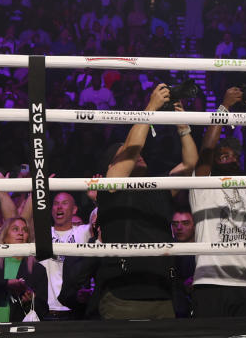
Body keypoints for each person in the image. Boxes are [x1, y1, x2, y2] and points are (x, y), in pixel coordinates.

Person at [95, 83, 198, 320]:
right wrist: (150, 107)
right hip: (123, 294)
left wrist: (181, 125)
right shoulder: (110, 189)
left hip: (162, 292)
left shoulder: (157, 187)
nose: (137, 153)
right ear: (111, 165)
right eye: (125, 153)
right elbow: (132, 149)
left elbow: (190, 164)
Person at [188, 85, 246, 317]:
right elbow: (207, 148)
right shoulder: (202, 185)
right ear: (215, 162)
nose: (231, 158)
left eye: (235, 156)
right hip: (210, 282)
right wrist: (224, 106)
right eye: (224, 155)